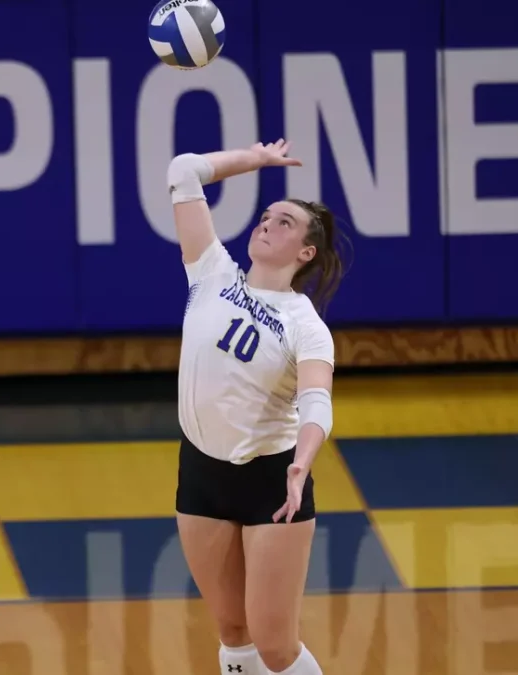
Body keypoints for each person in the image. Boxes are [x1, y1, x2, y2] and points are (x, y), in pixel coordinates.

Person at [168, 139, 347, 675]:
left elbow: (317, 401)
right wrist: (254, 158)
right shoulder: (211, 272)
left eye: (285, 222)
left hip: (272, 479)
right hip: (201, 472)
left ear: (306, 253)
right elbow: (184, 173)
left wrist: (303, 462)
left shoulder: (305, 325)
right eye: (267, 215)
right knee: (232, 630)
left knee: (275, 644)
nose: (268, 223)